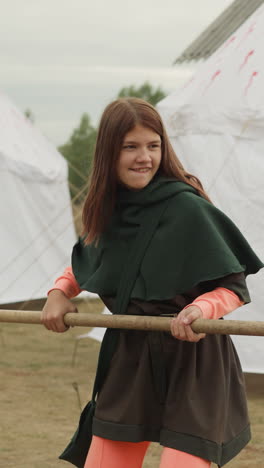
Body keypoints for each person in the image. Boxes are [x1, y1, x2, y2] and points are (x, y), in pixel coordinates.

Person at [41, 97, 263, 468]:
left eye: (153, 145)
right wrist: (59, 293)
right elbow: (87, 260)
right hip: (130, 356)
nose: (144, 156)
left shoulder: (187, 207)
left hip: (195, 360)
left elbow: (233, 287)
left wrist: (200, 308)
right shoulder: (107, 210)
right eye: (130, 147)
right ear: (109, 152)